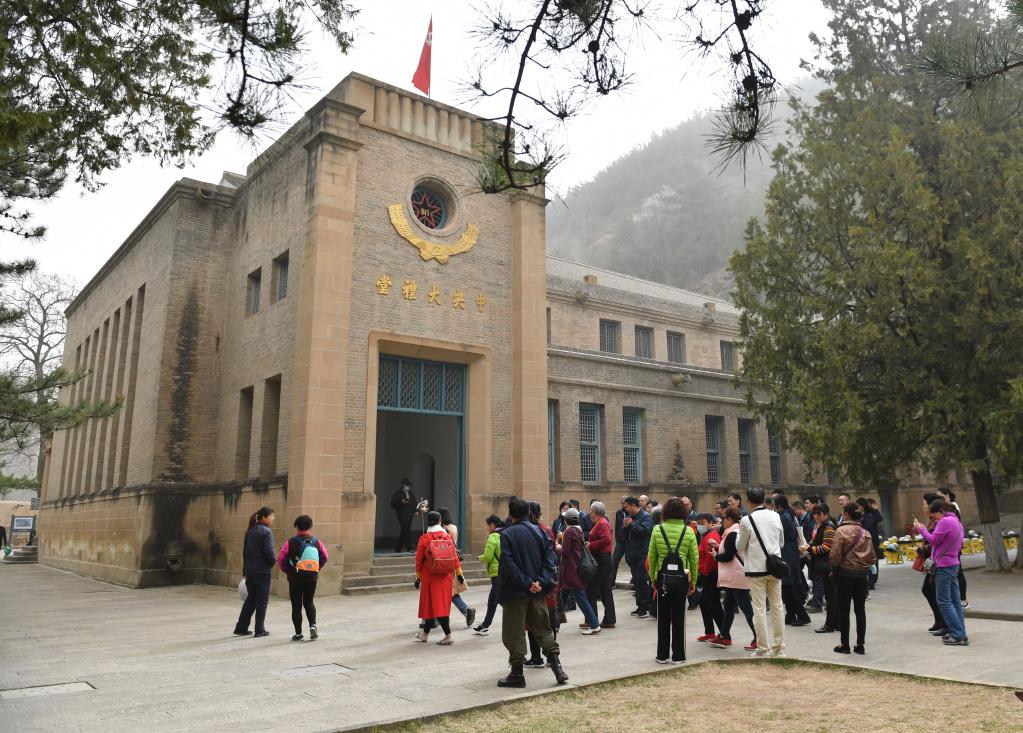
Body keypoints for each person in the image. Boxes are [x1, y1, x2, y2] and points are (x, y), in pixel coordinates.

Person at [497, 497, 569, 688]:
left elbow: (508, 564)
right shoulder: (540, 531)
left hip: (515, 592)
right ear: (529, 512)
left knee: (514, 633)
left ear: (511, 514)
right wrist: (540, 581)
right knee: (543, 630)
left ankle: (517, 673)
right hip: (537, 591)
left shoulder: (507, 534)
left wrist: (527, 583)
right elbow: (550, 561)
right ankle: (558, 668)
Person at [648, 497, 699, 664]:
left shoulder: (657, 530)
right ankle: (678, 656)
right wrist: (693, 582)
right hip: (681, 580)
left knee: (662, 618)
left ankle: (662, 655)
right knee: (679, 618)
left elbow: (652, 557)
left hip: (662, 580)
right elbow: (694, 559)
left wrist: (653, 578)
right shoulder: (689, 531)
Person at [736, 487, 785, 657]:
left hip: (756, 569)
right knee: (777, 607)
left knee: (759, 609)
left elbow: (740, 546)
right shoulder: (775, 516)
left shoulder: (746, 520)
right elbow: (781, 542)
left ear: (748, 501)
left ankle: (763, 648)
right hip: (775, 567)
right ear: (764, 499)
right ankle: (779, 648)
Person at [914, 500, 968, 646]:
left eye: (934, 514)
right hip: (953, 563)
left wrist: (921, 529)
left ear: (941, 510)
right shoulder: (956, 521)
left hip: (944, 565)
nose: (934, 518)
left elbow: (933, 540)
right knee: (955, 602)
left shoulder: (945, 521)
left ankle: (957, 635)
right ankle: (960, 633)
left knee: (944, 601)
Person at [829, 502, 876, 654]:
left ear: (846, 514)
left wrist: (834, 568)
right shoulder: (866, 533)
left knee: (844, 610)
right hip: (861, 575)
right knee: (860, 610)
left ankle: (845, 644)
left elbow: (834, 555)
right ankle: (860, 645)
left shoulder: (840, 531)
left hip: (844, 574)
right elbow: (872, 557)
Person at [708, 508, 758, 652]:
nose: (722, 522)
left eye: (723, 519)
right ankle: (724, 636)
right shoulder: (734, 532)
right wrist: (719, 547)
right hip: (734, 577)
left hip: (736, 577)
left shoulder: (732, 533)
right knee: (728, 606)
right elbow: (732, 550)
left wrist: (715, 556)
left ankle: (759, 637)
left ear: (729, 519)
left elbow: (728, 556)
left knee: (746, 608)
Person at [278, 515, 328, 641]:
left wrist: (288, 571)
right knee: (309, 602)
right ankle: (313, 625)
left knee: (296, 605)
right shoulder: (317, 542)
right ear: (310, 526)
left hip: (295, 579)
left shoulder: (289, 543)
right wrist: (316, 568)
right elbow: (325, 557)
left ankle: (298, 633)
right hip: (311, 578)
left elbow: (281, 559)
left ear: (297, 527)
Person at [414, 511, 461, 645]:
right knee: (438, 605)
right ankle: (425, 634)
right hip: (445, 577)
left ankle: (448, 635)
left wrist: (418, 577)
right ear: (440, 521)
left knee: (434, 606)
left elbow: (419, 560)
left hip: (429, 577)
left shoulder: (424, 538)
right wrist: (459, 574)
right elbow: (454, 556)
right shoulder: (446, 536)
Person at [555, 508, 601, 634]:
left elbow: (565, 552)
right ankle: (555, 624)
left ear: (567, 520)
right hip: (574, 569)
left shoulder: (569, 532)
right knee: (563, 597)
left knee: (580, 598)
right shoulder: (578, 530)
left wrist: (558, 547)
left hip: (571, 571)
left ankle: (594, 625)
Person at [234, 506, 276, 638]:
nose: (273, 518)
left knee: (250, 599)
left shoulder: (250, 531)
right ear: (264, 517)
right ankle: (259, 629)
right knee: (262, 600)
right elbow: (269, 552)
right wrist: (272, 563)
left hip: (250, 570)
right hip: (262, 571)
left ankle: (241, 627)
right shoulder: (266, 532)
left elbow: (245, 553)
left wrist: (245, 571)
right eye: (271, 516)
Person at [774, 494, 811, 627]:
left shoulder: (784, 517)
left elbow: (781, 535)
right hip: (790, 552)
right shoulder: (789, 515)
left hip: (787, 553)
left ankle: (802, 616)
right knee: (786, 587)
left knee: (788, 587)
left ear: (779, 505)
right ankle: (790, 615)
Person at [437, 507, 476, 628]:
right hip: (453, 561)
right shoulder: (453, 527)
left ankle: (464, 611)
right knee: (449, 591)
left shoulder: (442, 529)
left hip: (444, 562)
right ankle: (441, 617)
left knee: (446, 591)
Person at [803, 504, 838, 634]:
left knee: (830, 596)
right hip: (824, 565)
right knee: (831, 596)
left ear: (826, 514)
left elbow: (826, 547)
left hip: (828, 566)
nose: (816, 516)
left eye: (819, 513)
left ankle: (830, 624)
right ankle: (836, 623)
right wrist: (810, 547)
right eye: (815, 513)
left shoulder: (828, 527)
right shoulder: (821, 525)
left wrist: (809, 549)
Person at [917, 492, 947, 634]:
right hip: (935, 561)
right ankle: (939, 621)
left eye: (924, 504)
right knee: (929, 590)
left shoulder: (940, 522)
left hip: (941, 562)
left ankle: (944, 623)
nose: (923, 507)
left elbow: (936, 541)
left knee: (935, 592)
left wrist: (923, 547)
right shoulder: (933, 520)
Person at [586, 501, 616, 628]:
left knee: (591, 589)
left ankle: (592, 619)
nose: (590, 513)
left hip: (602, 560)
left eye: (591, 511)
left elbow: (607, 539)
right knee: (605, 590)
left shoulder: (602, 522)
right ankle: (609, 619)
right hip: (603, 559)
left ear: (596, 512)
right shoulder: (601, 522)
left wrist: (591, 545)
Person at [694, 513, 723, 643]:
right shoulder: (706, 535)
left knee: (713, 604)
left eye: (703, 523)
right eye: (699, 523)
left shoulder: (710, 536)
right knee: (704, 603)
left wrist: (704, 573)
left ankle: (724, 634)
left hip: (710, 574)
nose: (700, 526)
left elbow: (710, 559)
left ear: (710, 523)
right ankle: (709, 632)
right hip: (707, 573)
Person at [473, 515, 504, 635]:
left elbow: (488, 556)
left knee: (501, 601)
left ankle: (521, 621)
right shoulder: (505, 533)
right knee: (492, 601)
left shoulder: (493, 536)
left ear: (492, 525)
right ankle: (485, 625)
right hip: (504, 571)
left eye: (487, 525)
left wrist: (480, 558)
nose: (486, 528)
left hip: (496, 572)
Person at [623, 496, 653, 618]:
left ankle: (645, 607)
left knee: (641, 579)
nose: (626, 509)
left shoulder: (645, 517)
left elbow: (644, 531)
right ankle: (640, 605)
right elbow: (625, 535)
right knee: (636, 580)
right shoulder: (632, 517)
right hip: (633, 553)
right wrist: (625, 527)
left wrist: (631, 525)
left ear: (633, 505)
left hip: (642, 553)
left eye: (627, 507)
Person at [856, 497, 882, 592]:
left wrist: (876, 510)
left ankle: (872, 581)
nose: (857, 507)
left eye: (858, 505)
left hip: (871, 541)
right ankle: (868, 580)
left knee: (872, 561)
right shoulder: (859, 515)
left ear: (863, 506)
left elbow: (867, 527)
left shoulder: (870, 515)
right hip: (863, 542)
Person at [390, 478, 418, 553]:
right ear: (402, 485)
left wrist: (416, 510)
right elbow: (392, 504)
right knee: (406, 530)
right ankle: (409, 548)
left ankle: (398, 548)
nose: (408, 487)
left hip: (410, 514)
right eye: (407, 485)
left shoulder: (411, 493)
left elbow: (414, 502)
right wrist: (400, 502)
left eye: (409, 485)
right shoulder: (398, 493)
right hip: (402, 514)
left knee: (404, 531)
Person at [611, 496, 629, 580]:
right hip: (620, 542)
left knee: (630, 561)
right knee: (614, 561)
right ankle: (611, 581)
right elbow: (618, 526)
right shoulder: (619, 513)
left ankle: (634, 580)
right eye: (622, 503)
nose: (623, 505)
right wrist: (618, 538)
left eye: (625, 503)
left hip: (629, 541)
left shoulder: (631, 513)